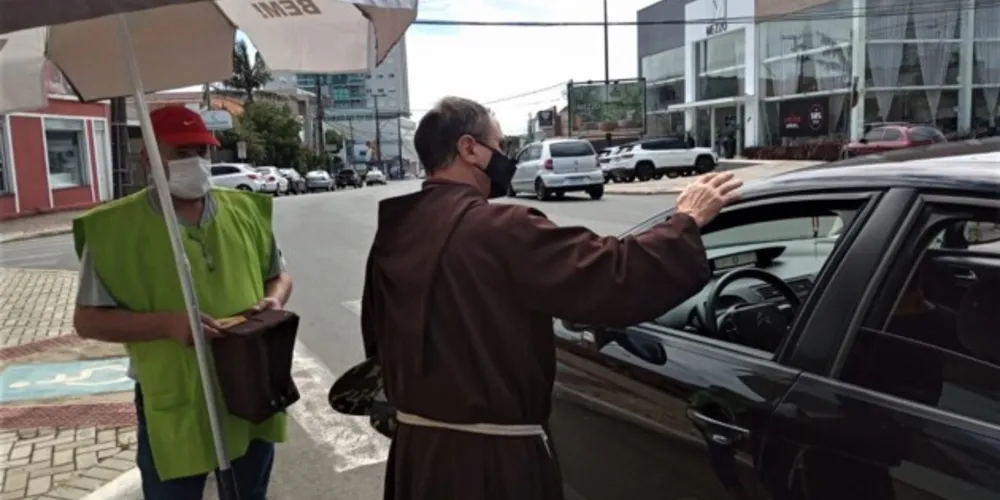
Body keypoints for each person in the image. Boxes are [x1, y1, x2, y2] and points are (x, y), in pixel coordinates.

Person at [360, 96, 741, 500]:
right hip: (492, 465)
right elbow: (610, 274)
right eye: (500, 146)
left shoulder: (394, 233)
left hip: (415, 459)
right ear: (469, 148)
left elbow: (377, 344)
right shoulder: (500, 228)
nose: (505, 158)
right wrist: (685, 221)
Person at [71, 105, 293, 500]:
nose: (196, 163)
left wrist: (272, 301)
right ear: (148, 158)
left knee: (249, 491)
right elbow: (88, 321)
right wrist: (167, 325)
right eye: (182, 153)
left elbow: (279, 275)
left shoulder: (245, 211)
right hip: (174, 394)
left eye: (202, 152)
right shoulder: (112, 229)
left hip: (247, 381)